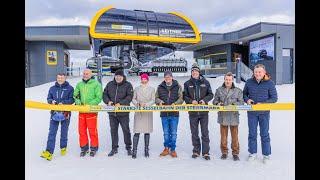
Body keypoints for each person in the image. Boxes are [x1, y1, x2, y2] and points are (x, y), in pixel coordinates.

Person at [243, 64, 278, 164]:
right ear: (253, 72)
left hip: (264, 113)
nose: (257, 73)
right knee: (252, 134)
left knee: (264, 134)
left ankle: (266, 155)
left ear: (264, 72)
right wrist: (247, 99)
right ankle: (252, 153)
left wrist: (263, 104)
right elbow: (244, 94)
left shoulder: (270, 83)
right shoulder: (249, 82)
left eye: (259, 72)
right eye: (256, 72)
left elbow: (274, 98)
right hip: (252, 113)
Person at [40, 73, 74, 161]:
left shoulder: (70, 88)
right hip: (54, 114)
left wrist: (64, 102)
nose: (60, 79)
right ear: (56, 78)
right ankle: (49, 152)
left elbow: (72, 99)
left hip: (66, 114)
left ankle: (63, 147)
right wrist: (52, 101)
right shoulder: (52, 88)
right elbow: (48, 99)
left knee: (64, 132)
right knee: (52, 133)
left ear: (65, 78)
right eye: (58, 78)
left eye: (62, 78)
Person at [183, 63, 213, 160]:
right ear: (191, 72)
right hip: (193, 113)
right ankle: (196, 151)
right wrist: (191, 101)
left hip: (204, 112)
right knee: (194, 132)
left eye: (196, 71)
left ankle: (205, 152)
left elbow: (210, 94)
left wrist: (204, 100)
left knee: (205, 132)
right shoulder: (187, 84)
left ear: (199, 72)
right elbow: (185, 96)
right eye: (193, 71)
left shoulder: (206, 82)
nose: (194, 72)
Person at [213, 72, 244, 161]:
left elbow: (241, 102)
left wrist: (234, 104)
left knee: (235, 137)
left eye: (229, 80)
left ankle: (235, 153)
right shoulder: (219, 90)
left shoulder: (238, 91)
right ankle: (224, 152)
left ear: (232, 80)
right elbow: (214, 101)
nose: (228, 81)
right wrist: (218, 103)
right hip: (223, 116)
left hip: (233, 116)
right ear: (224, 79)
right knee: (223, 137)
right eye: (226, 79)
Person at [103, 69, 134, 157]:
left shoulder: (128, 85)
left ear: (123, 77)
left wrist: (121, 103)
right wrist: (108, 101)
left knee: (126, 130)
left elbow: (130, 96)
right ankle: (114, 148)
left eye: (120, 76)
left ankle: (128, 147)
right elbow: (104, 94)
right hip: (112, 113)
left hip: (123, 112)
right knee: (113, 131)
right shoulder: (110, 84)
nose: (118, 77)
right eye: (116, 76)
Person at [73, 69, 102, 157]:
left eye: (87, 74)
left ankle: (93, 148)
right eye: (84, 74)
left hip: (91, 111)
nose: (85, 75)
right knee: (81, 130)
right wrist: (78, 102)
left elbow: (98, 97)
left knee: (92, 130)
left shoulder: (96, 84)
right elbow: (75, 95)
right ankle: (84, 148)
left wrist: (89, 105)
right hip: (82, 111)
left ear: (91, 74)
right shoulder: (79, 84)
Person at [156, 71, 183, 158]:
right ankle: (166, 148)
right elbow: (156, 98)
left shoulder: (178, 86)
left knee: (174, 133)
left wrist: (176, 103)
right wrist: (159, 101)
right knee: (166, 133)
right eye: (166, 77)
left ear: (172, 77)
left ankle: (173, 149)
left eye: (169, 77)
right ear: (164, 78)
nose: (167, 78)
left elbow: (181, 98)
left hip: (174, 114)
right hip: (164, 114)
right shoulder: (160, 87)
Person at [131, 73, 155, 159]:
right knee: (137, 131)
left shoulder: (152, 89)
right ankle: (134, 150)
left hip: (147, 111)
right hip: (139, 111)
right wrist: (137, 103)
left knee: (147, 131)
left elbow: (153, 100)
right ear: (141, 80)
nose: (144, 80)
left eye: (145, 79)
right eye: (142, 79)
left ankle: (146, 150)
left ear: (147, 80)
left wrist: (146, 104)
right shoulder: (136, 89)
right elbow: (133, 98)